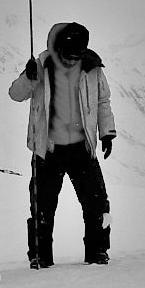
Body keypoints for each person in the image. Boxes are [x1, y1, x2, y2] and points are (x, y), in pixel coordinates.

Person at [9, 22, 116, 268]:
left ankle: (98, 252)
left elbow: (103, 101)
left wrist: (107, 132)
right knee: (42, 209)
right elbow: (16, 94)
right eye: (68, 55)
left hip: (82, 147)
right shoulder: (41, 66)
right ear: (58, 48)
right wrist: (28, 76)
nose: (72, 60)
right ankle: (39, 257)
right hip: (48, 149)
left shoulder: (92, 68)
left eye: (77, 55)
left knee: (97, 205)